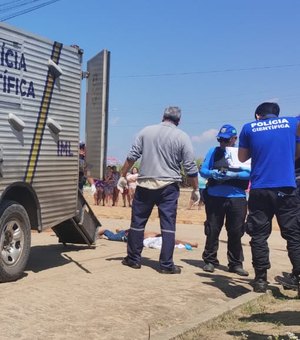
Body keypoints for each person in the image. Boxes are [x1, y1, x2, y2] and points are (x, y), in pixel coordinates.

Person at [118, 106, 199, 274]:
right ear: (179, 121)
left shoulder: (146, 131)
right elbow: (190, 165)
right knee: (168, 226)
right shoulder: (182, 136)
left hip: (145, 184)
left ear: (162, 117)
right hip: (168, 187)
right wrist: (195, 188)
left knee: (138, 223)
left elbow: (132, 155)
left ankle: (133, 259)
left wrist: (122, 174)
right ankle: (166, 265)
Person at [238, 102, 300, 293]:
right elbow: (297, 154)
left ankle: (260, 279)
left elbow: (241, 158)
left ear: (258, 115)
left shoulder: (249, 128)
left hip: (260, 188)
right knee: (294, 235)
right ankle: (298, 276)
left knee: (258, 235)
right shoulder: (291, 124)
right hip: (287, 188)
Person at [200, 124, 250, 276]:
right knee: (213, 229)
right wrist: (213, 173)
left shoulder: (244, 153)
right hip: (215, 197)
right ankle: (210, 260)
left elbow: (251, 173)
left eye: (226, 140)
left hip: (237, 198)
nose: (223, 143)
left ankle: (235, 263)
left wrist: (235, 175)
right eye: (221, 140)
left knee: (236, 231)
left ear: (234, 139)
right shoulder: (213, 151)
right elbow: (203, 170)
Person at [98, 228, 198, 248]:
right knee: (112, 237)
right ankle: (103, 231)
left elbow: (177, 241)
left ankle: (120, 230)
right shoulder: (152, 235)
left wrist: (191, 244)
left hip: (129, 233)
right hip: (127, 235)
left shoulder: (156, 236)